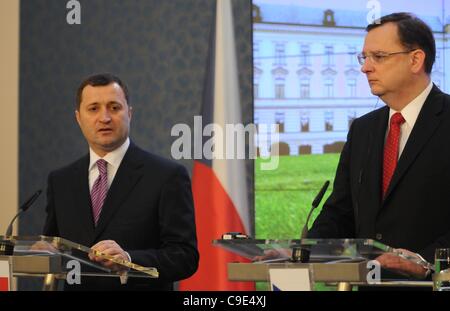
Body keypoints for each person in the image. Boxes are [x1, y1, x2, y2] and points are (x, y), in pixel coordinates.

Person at [308, 13, 450, 280]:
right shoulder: (363, 130)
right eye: (364, 57)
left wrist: (425, 262)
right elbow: (340, 212)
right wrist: (299, 252)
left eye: (379, 57)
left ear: (415, 60)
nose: (365, 68)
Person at [43, 73, 199, 290]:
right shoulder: (60, 180)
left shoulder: (166, 176)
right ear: (79, 118)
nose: (104, 117)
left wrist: (128, 259)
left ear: (130, 113)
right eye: (93, 108)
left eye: (114, 107)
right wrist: (40, 252)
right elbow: (54, 247)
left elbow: (185, 257)